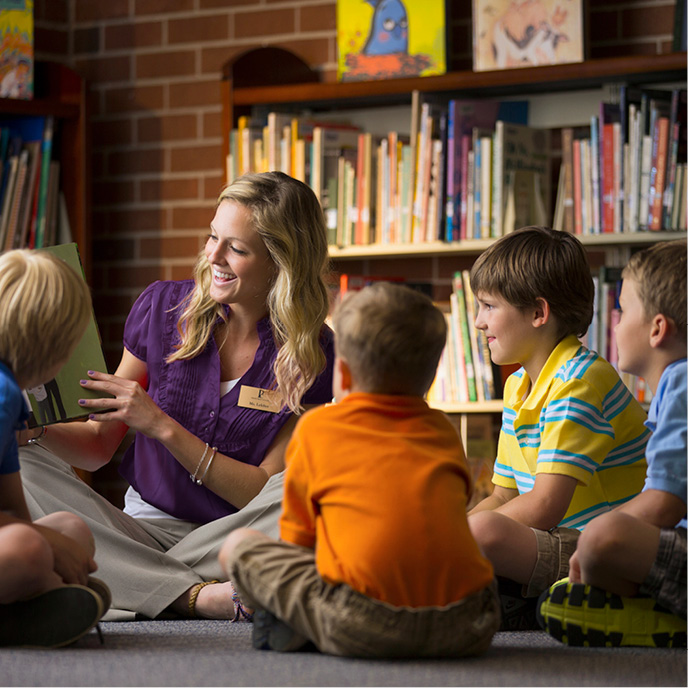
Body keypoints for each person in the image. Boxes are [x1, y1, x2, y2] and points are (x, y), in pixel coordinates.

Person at [18, 171, 335, 621]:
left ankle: (138, 584)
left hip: (230, 536)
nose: (214, 257)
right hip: (139, 530)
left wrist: (162, 426)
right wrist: (34, 428)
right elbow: (96, 448)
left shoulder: (314, 352)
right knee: (21, 461)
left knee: (305, 484)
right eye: (212, 238)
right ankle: (200, 595)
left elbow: (259, 492)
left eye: (237, 249)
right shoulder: (162, 307)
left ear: (282, 263)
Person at [219, 282, 500, 658]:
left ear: (345, 375)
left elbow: (299, 542)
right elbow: (454, 504)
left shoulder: (317, 429)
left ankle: (296, 622)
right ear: (430, 377)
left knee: (238, 547)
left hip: (365, 623)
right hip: (470, 623)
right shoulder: (445, 430)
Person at [466, 226, 649, 630]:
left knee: (480, 534)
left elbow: (545, 505)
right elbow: (501, 495)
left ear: (537, 313)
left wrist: (458, 541)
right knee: (467, 529)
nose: (478, 322)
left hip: (602, 545)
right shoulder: (518, 386)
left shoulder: (578, 381)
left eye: (488, 306)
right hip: (558, 535)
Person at [538, 239, 687, 648]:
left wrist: (594, 536)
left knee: (603, 539)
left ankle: (661, 620)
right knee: (603, 541)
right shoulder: (672, 389)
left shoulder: (682, 382)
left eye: (622, 311)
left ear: (657, 329)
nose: (615, 324)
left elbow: (664, 504)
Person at [0, 249, 107, 647]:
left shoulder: (12, 399)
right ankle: (31, 604)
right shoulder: (1, 395)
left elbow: (12, 508)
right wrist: (47, 551)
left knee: (71, 528)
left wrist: (55, 543)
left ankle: (30, 604)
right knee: (30, 549)